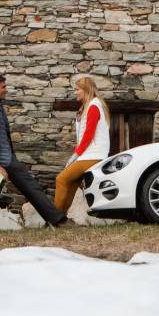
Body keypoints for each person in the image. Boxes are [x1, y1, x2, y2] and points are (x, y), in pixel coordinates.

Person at [0, 73, 72, 227]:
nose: (6, 90)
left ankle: (56, 220)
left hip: (1, 157)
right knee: (31, 187)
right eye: (3, 87)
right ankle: (59, 221)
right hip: (1, 159)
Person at [54, 76, 111, 217]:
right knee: (71, 183)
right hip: (89, 153)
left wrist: (75, 154)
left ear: (86, 90)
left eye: (77, 89)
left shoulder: (93, 106)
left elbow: (88, 135)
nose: (75, 92)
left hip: (93, 154)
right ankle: (61, 218)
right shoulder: (88, 106)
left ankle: (53, 216)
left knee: (61, 179)